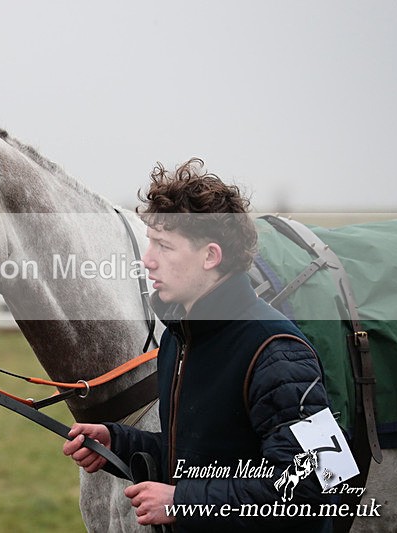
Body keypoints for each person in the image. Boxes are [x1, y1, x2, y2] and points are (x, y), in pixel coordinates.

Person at [63, 159, 332, 532]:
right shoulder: (180, 338)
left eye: (164, 246)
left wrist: (183, 502)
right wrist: (118, 440)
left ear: (210, 256)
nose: (148, 261)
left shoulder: (277, 352)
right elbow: (200, 456)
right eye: (149, 242)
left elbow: (317, 481)